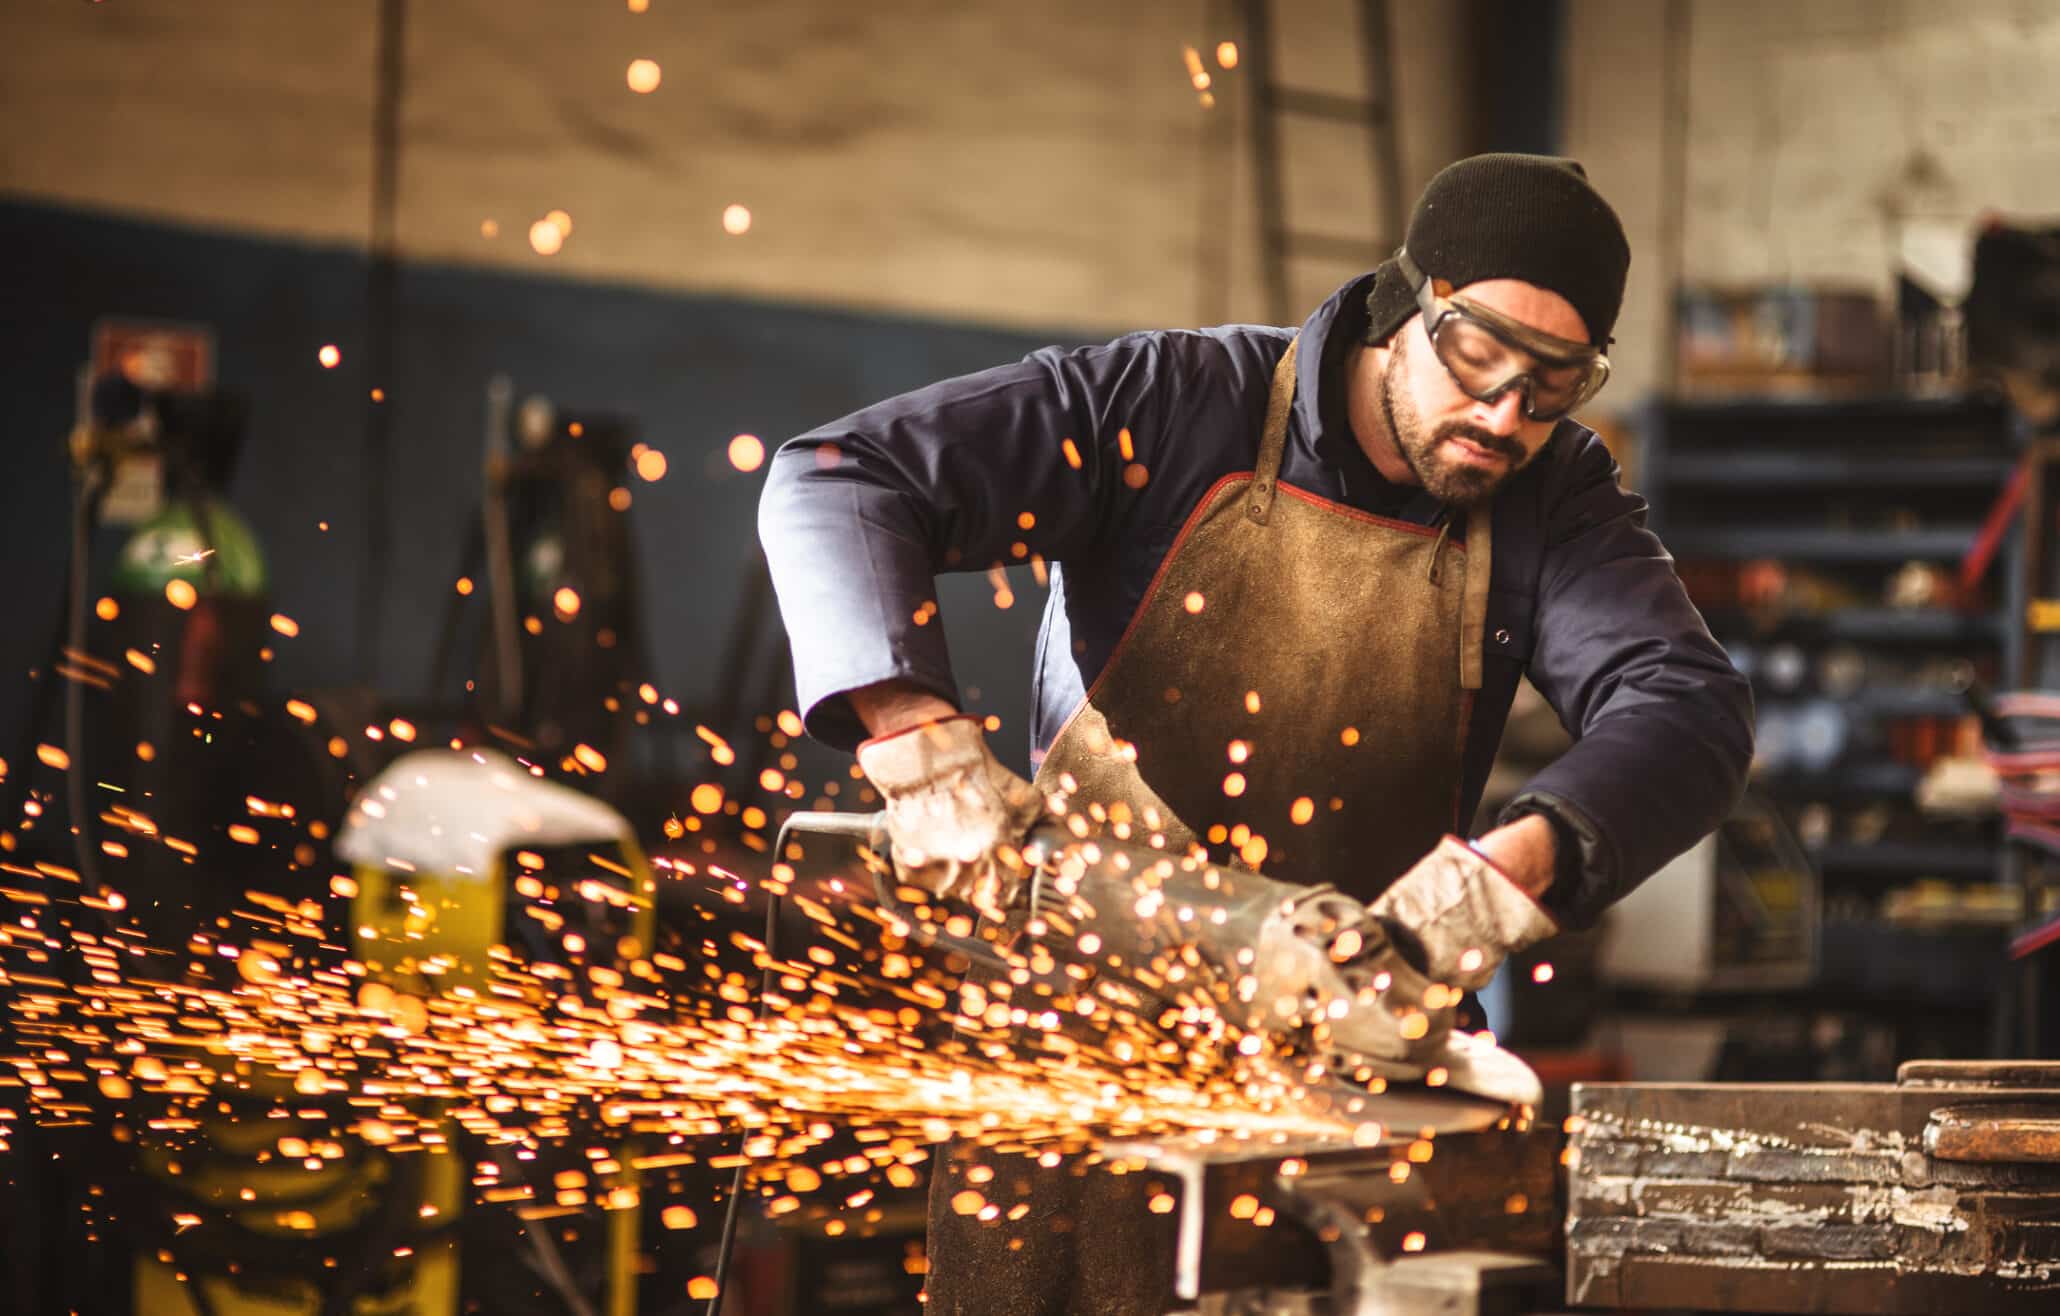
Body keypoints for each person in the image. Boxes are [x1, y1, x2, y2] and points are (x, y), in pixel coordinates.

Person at [758, 153, 1754, 1315]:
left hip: (1354, 1053)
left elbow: (1683, 707)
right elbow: (838, 474)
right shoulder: (1169, 402)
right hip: (1083, 1042)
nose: (1502, 414)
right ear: (1404, 302)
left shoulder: (1552, 494)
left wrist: (1487, 890)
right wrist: (918, 744)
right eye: (1476, 357)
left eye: (1552, 384)